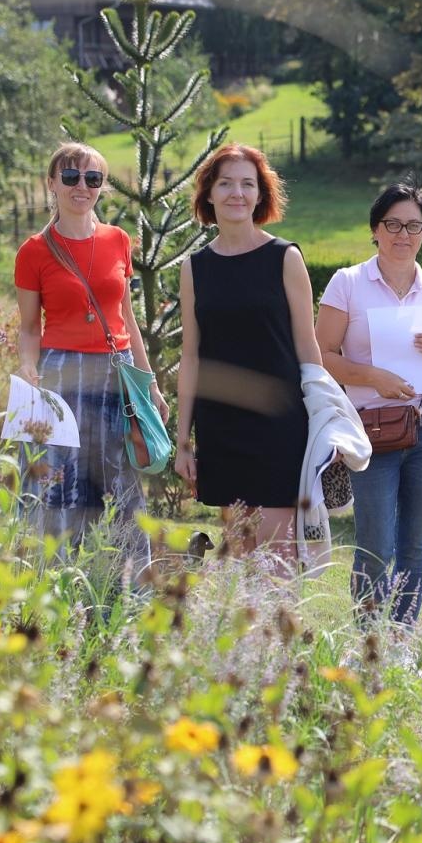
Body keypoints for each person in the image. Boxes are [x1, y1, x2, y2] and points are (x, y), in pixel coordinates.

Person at [316, 184, 422, 626]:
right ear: (375, 230)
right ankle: (369, 638)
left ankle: (400, 638)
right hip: (371, 428)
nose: (404, 234)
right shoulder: (347, 283)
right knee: (376, 543)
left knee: (416, 543)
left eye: (414, 226)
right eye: (394, 224)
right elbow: (321, 356)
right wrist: (373, 378)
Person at [14, 142, 166, 573]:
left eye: (93, 178)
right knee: (56, 484)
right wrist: (28, 366)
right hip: (59, 377)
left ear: (101, 187)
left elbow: (128, 320)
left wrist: (150, 384)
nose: (82, 186)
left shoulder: (118, 241)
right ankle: (55, 590)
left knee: (121, 485)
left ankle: (125, 593)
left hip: (116, 378)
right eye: (71, 177)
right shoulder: (34, 251)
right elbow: (29, 327)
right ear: (52, 184)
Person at [175, 144, 322, 560]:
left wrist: (323, 416)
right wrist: (184, 440)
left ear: (261, 195)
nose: (236, 193)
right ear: (208, 194)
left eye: (247, 184)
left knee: (277, 552)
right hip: (220, 424)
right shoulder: (194, 268)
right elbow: (191, 356)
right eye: (225, 184)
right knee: (240, 549)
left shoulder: (285, 257)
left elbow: (307, 344)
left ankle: (278, 627)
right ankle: (247, 627)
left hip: (281, 422)